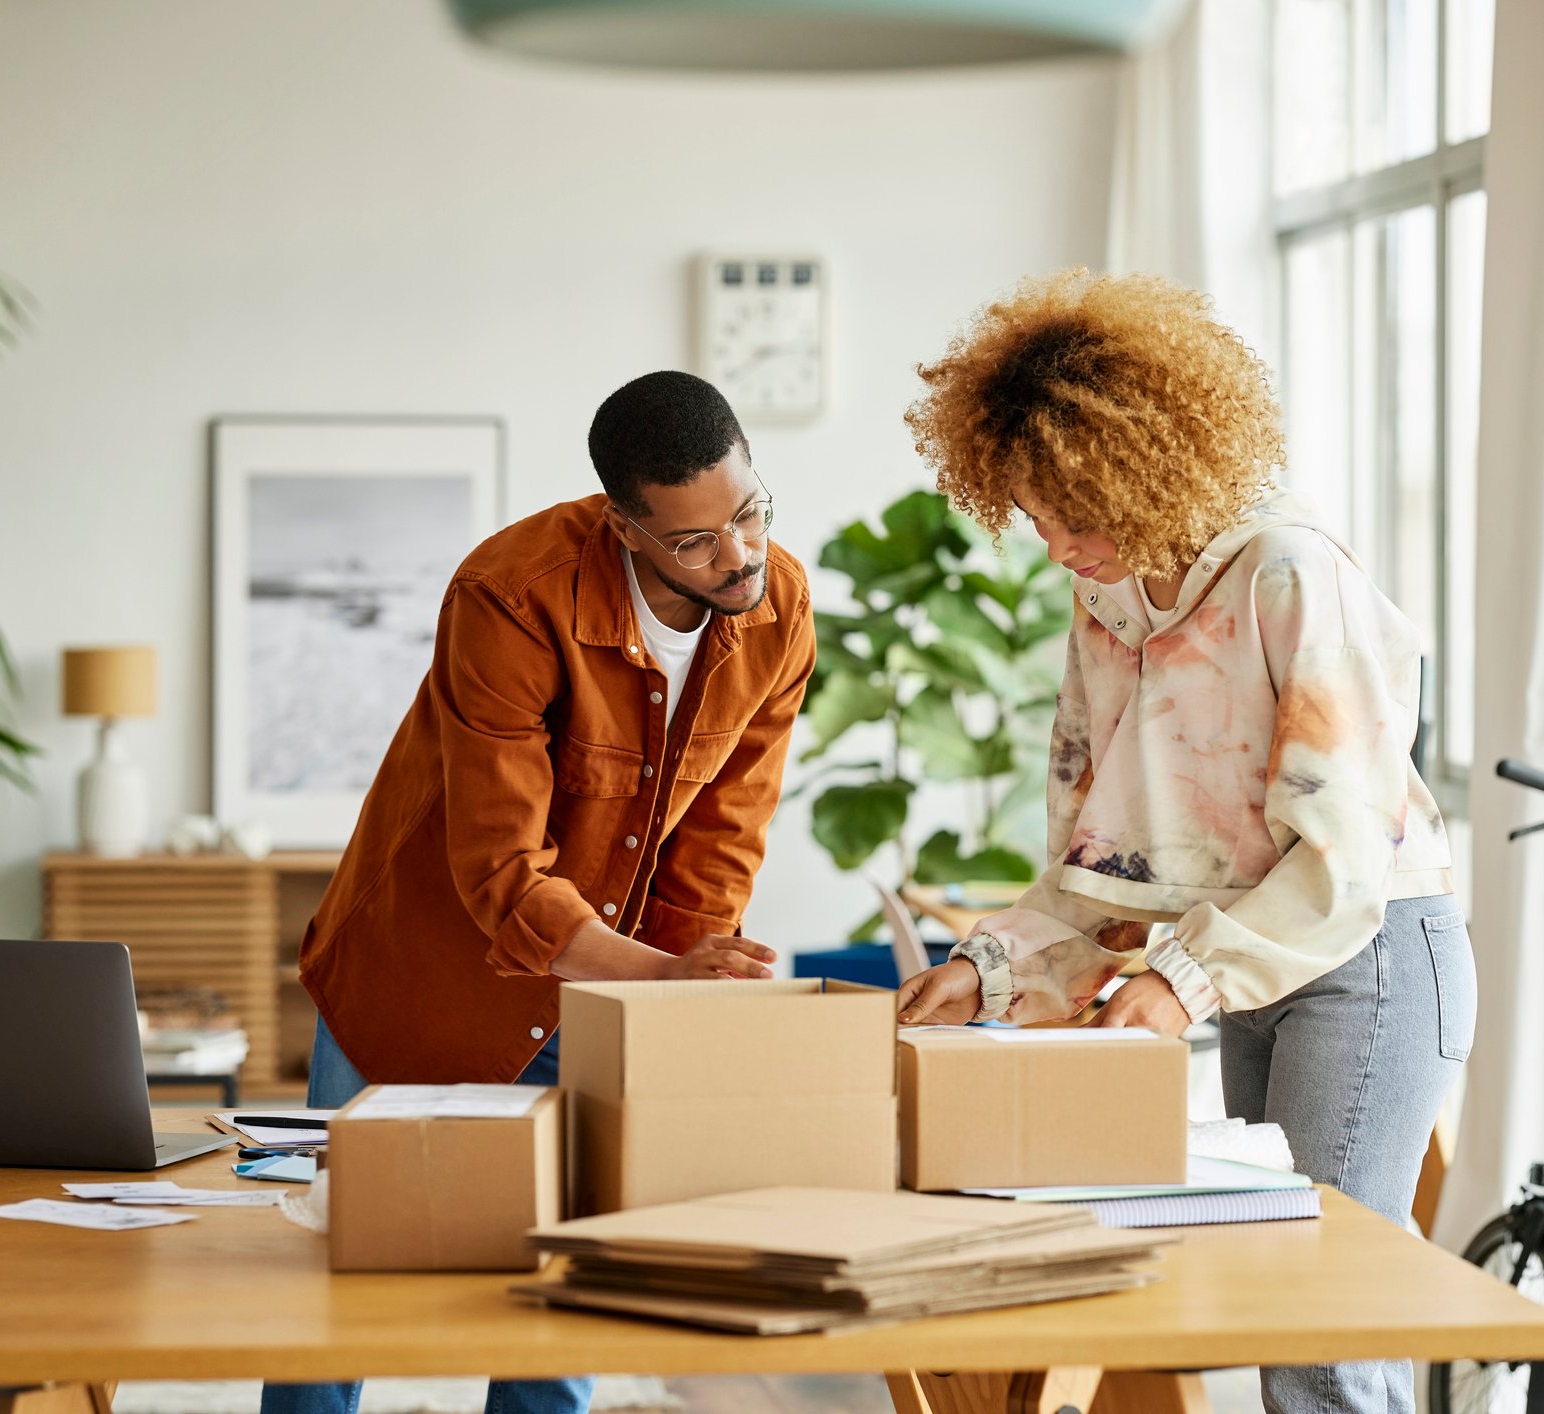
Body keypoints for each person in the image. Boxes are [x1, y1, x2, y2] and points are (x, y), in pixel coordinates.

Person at [894, 271, 1472, 1414]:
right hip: (1242, 966)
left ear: (1141, 465)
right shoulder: (1106, 602)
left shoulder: (1286, 574)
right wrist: (987, 966)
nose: (1056, 546)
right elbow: (1099, 863)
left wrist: (1182, 977)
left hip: (1369, 954)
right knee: (1271, 1301)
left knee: (1321, 1327)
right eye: (1032, 513)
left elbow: (1342, 860)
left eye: (1073, 510)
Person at [262, 370, 815, 1414]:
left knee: (565, 1284)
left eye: (748, 511)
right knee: (343, 1289)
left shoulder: (777, 606)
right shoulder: (509, 593)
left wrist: (679, 986)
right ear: (624, 528)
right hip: (425, 965)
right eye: (695, 541)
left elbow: (723, 836)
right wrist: (661, 973)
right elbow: (499, 872)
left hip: (612, 981)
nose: (736, 554)